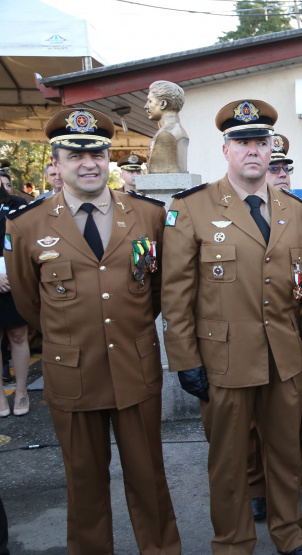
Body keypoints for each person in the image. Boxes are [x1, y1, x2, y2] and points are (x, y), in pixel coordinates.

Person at [6, 108, 180, 553]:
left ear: (109, 160)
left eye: (98, 154)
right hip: (73, 373)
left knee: (149, 480)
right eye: (74, 154)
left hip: (134, 368)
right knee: (84, 485)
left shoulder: (148, 216)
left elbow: (157, 289)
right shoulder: (26, 225)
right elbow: (29, 302)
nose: (89, 163)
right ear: (57, 161)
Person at [162, 100, 302, 555]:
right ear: (225, 149)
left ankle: (290, 534)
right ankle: (232, 543)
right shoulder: (191, 208)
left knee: (287, 455)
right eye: (243, 142)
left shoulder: (294, 210)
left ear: (272, 150)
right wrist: (186, 361)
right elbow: (175, 293)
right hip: (223, 360)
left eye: (261, 142)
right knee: (228, 463)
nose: (254, 151)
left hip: (283, 357)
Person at [243, 132, 302, 520]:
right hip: (250, 331)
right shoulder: (238, 209)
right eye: (274, 166)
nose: (279, 173)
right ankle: (256, 483)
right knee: (252, 419)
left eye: (285, 168)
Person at [0, 170, 29, 417]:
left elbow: (25, 242)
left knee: (18, 335)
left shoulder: (16, 204)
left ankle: (21, 392)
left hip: (12, 279)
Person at [145, 80, 189, 174]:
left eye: (150, 101)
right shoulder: (178, 131)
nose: (146, 106)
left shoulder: (166, 134)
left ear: (163, 104)